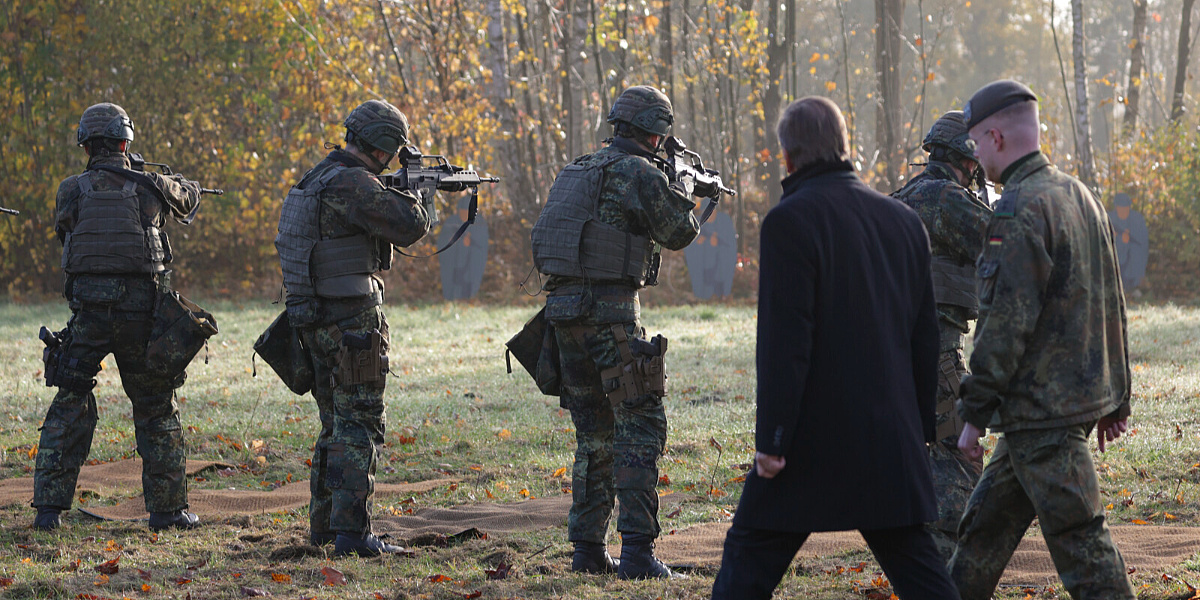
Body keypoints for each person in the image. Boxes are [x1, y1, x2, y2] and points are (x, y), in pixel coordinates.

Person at [710, 96, 959, 600]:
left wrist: (773, 442)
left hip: (808, 442)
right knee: (920, 572)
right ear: (846, 148)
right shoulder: (903, 221)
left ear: (788, 156)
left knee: (748, 560)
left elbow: (786, 343)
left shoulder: (790, 220)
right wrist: (919, 431)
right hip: (889, 439)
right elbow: (925, 334)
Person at [951, 80, 1135, 600]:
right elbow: (1113, 303)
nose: (977, 157)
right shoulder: (1079, 195)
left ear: (996, 137)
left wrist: (972, 419)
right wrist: (1117, 396)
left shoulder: (1018, 210)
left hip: (1042, 418)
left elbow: (1003, 327)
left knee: (1084, 548)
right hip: (1044, 415)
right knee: (980, 535)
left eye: (977, 145)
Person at [529, 85, 700, 579]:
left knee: (594, 434)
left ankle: (586, 551)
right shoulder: (638, 172)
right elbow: (678, 231)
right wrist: (687, 190)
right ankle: (638, 555)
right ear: (656, 133)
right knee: (640, 429)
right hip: (610, 317)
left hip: (563, 316)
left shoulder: (577, 170)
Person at [34, 102, 203, 531]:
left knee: (69, 400)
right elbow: (189, 199)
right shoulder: (151, 186)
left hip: (89, 316)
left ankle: (49, 512)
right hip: (140, 318)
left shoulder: (71, 188)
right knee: (155, 409)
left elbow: (65, 232)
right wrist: (171, 180)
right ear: (126, 141)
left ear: (87, 145)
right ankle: (167, 513)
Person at [275, 99, 430, 557]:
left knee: (334, 424)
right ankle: (353, 535)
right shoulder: (353, 183)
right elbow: (411, 226)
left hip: (315, 319)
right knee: (359, 424)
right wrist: (420, 190)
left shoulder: (318, 177)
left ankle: (326, 529)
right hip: (350, 322)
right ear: (385, 149)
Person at [890, 110, 992, 559]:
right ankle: (941, 559)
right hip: (937, 350)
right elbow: (1000, 245)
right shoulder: (948, 200)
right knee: (958, 454)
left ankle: (914, 549)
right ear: (965, 158)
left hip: (892, 349)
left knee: (917, 451)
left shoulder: (898, 197)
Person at [1109, 192, 1148, 291]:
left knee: (1136, 253)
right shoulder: (1110, 218)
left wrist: (1127, 240)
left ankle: (1134, 286)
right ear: (1116, 208)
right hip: (1115, 255)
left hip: (1132, 257)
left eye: (1125, 208)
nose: (1123, 211)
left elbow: (1142, 242)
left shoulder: (1137, 219)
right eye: (1120, 208)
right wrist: (1115, 238)